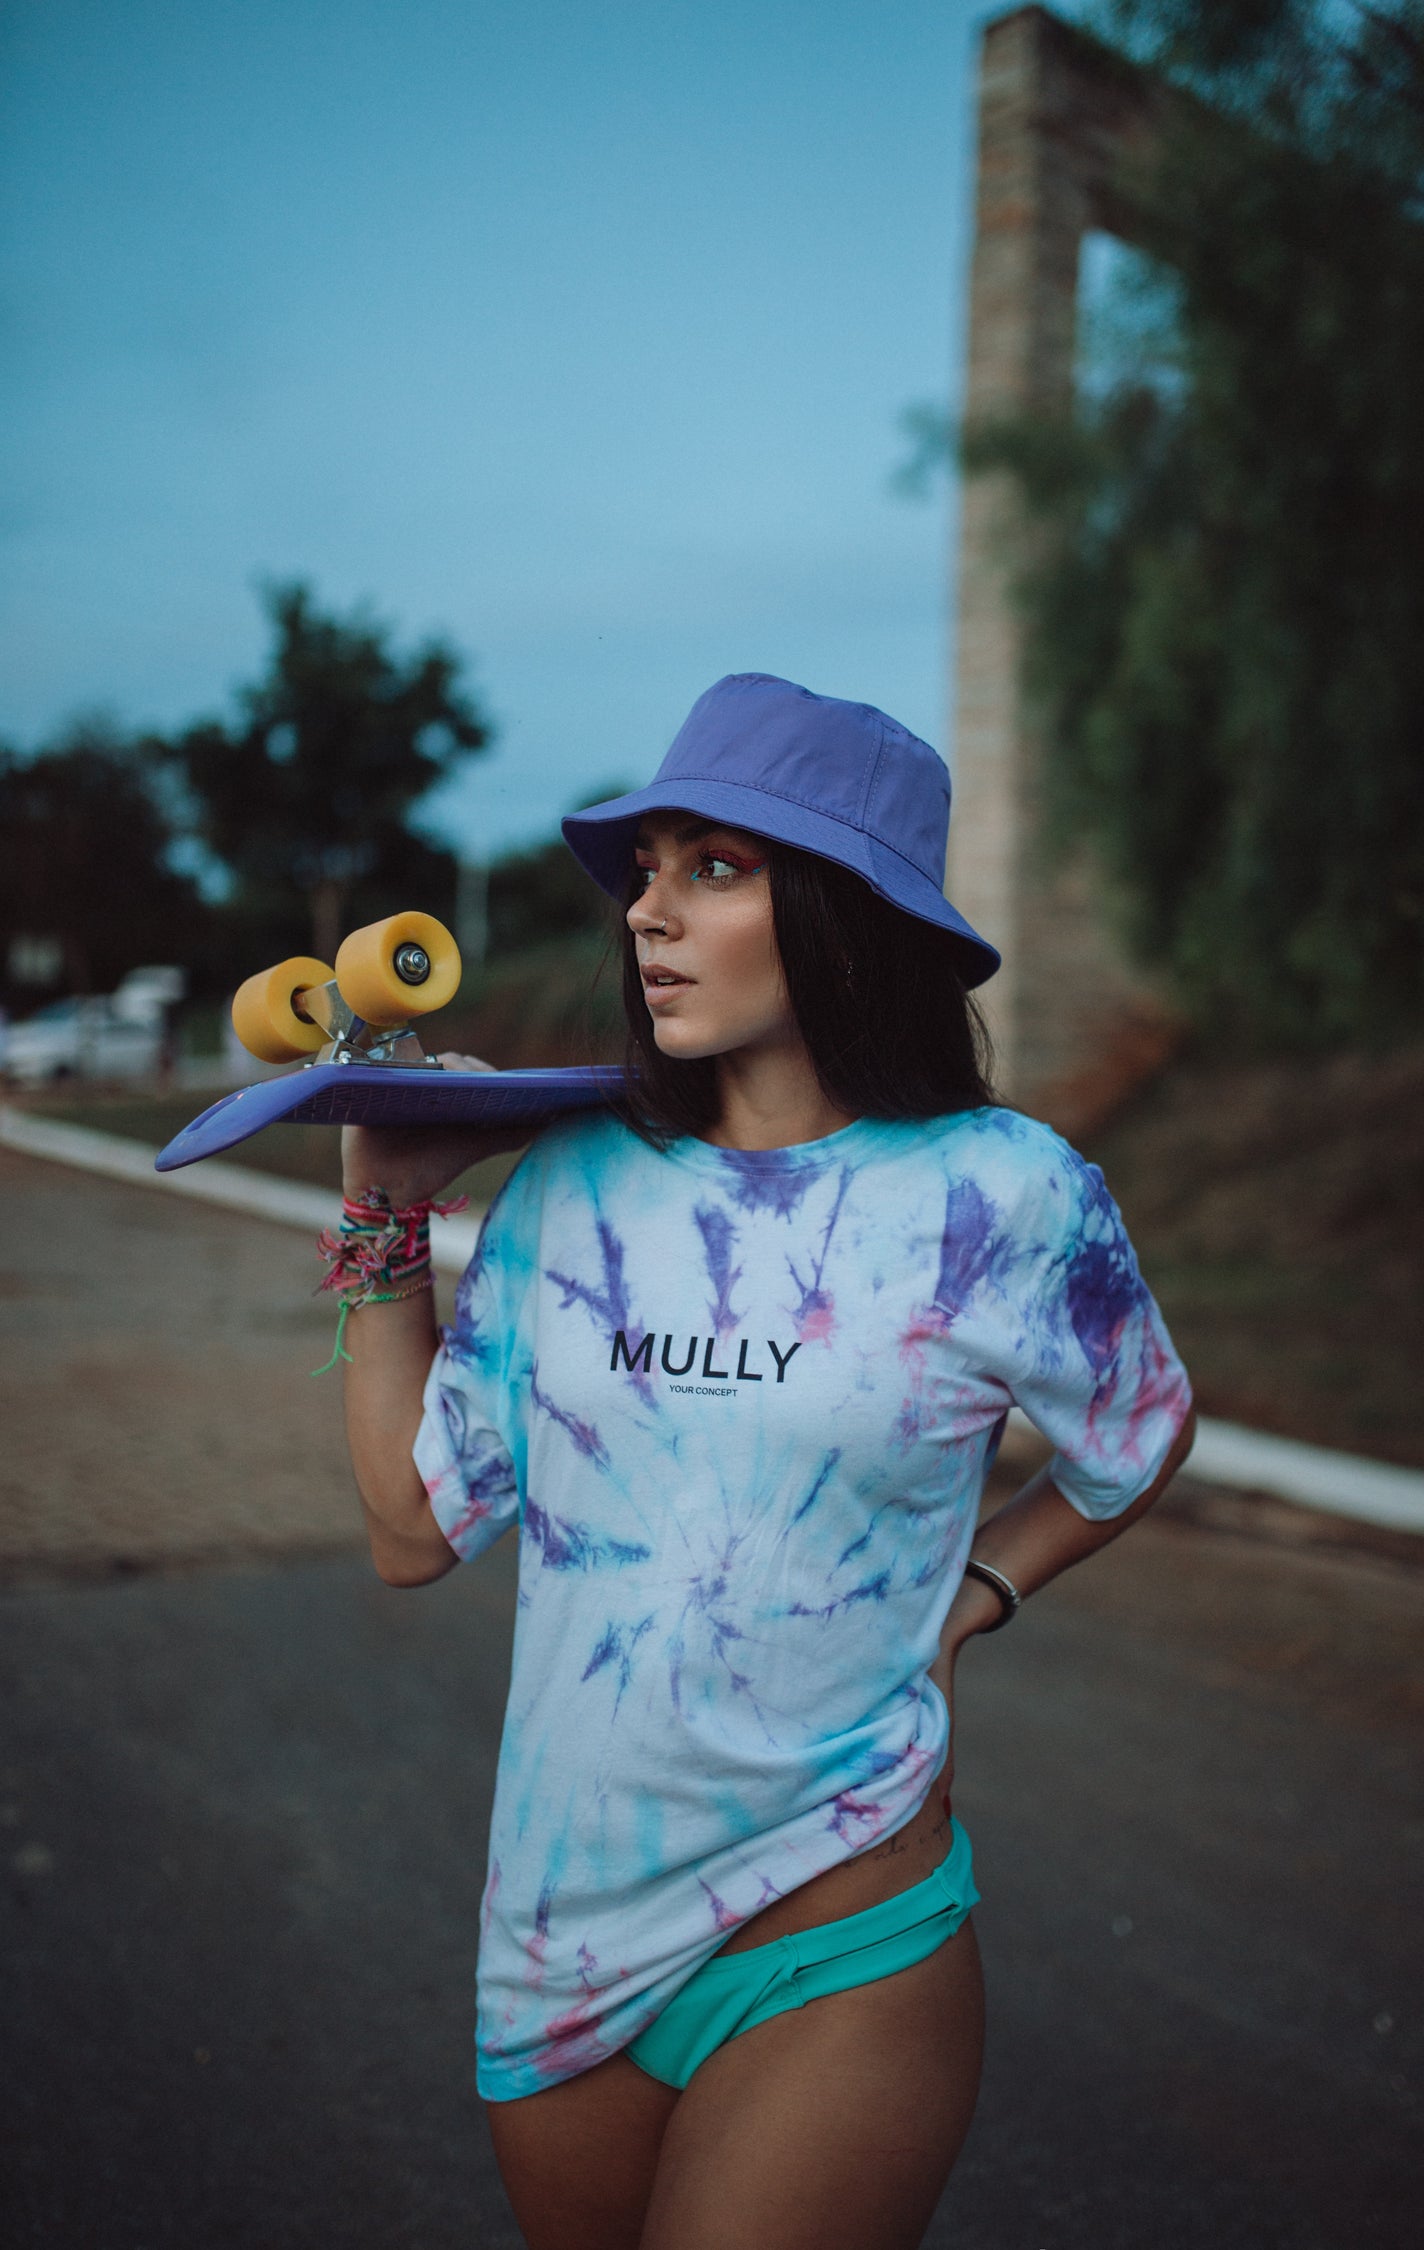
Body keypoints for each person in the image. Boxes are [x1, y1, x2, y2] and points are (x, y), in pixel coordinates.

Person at [332, 674, 1194, 2250]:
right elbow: (408, 1526)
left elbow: (1138, 1430)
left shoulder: (1001, 1195)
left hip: (840, 1922)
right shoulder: (574, 1186)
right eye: (648, 868)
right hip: (562, 1940)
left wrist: (989, 1581)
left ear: (842, 909)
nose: (650, 912)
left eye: (713, 866)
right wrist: (383, 1215)